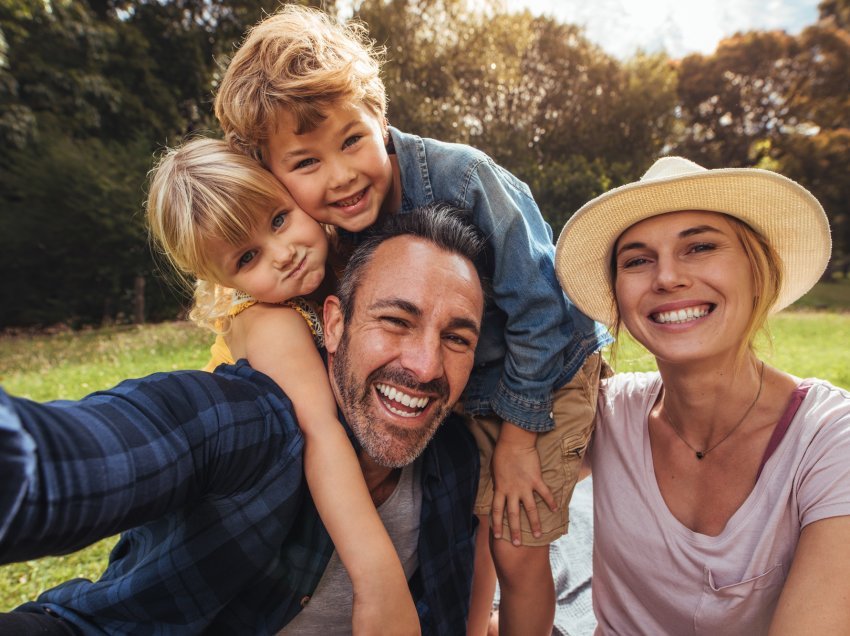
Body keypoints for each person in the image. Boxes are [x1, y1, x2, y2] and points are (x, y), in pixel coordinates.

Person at [213, 7, 611, 633]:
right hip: (456, 382)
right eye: (306, 163)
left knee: (515, 536)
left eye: (351, 140)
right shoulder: (317, 232)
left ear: (380, 115)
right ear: (274, 174)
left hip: (546, 376)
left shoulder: (465, 179)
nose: (341, 175)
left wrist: (517, 438)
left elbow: (546, 307)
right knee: (469, 526)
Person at [0, 205, 486, 635]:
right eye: (396, 321)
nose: (425, 366)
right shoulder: (245, 422)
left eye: (457, 338)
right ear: (334, 323)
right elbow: (80, 457)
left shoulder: (456, 463)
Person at [554, 156, 850, 634]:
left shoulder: (830, 439)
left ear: (758, 271)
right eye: (637, 260)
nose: (667, 277)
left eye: (700, 247)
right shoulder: (604, 412)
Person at [146, 136, 420, 633]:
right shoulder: (270, 321)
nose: (283, 253)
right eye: (247, 258)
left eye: (278, 219)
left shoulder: (335, 268)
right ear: (219, 278)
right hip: (242, 525)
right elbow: (321, 435)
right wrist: (380, 583)